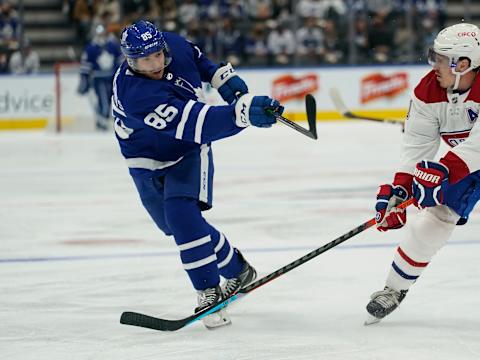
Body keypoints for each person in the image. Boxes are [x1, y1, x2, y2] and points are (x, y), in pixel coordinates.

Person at [113, 20, 283, 329]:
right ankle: (238, 270)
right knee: (177, 226)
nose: (154, 65)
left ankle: (208, 291)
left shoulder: (175, 45)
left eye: (157, 56)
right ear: (129, 60)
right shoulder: (136, 93)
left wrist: (224, 80)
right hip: (143, 155)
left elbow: (200, 61)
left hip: (187, 150)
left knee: (181, 215)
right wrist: (242, 113)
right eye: (144, 61)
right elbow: (197, 121)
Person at [366, 22, 480, 325]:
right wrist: (402, 188)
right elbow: (417, 143)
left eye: (441, 59)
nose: (434, 65)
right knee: (435, 217)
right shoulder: (428, 89)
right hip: (470, 162)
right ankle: (394, 288)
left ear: (463, 64)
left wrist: (443, 170)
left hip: (471, 157)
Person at [78, 24, 122, 130]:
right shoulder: (91, 48)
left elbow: (120, 61)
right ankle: (102, 119)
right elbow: (86, 66)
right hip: (99, 79)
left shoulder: (113, 45)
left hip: (112, 78)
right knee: (103, 100)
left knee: (111, 100)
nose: (101, 36)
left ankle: (102, 118)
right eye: (99, 34)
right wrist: (84, 81)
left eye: (102, 33)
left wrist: (120, 75)